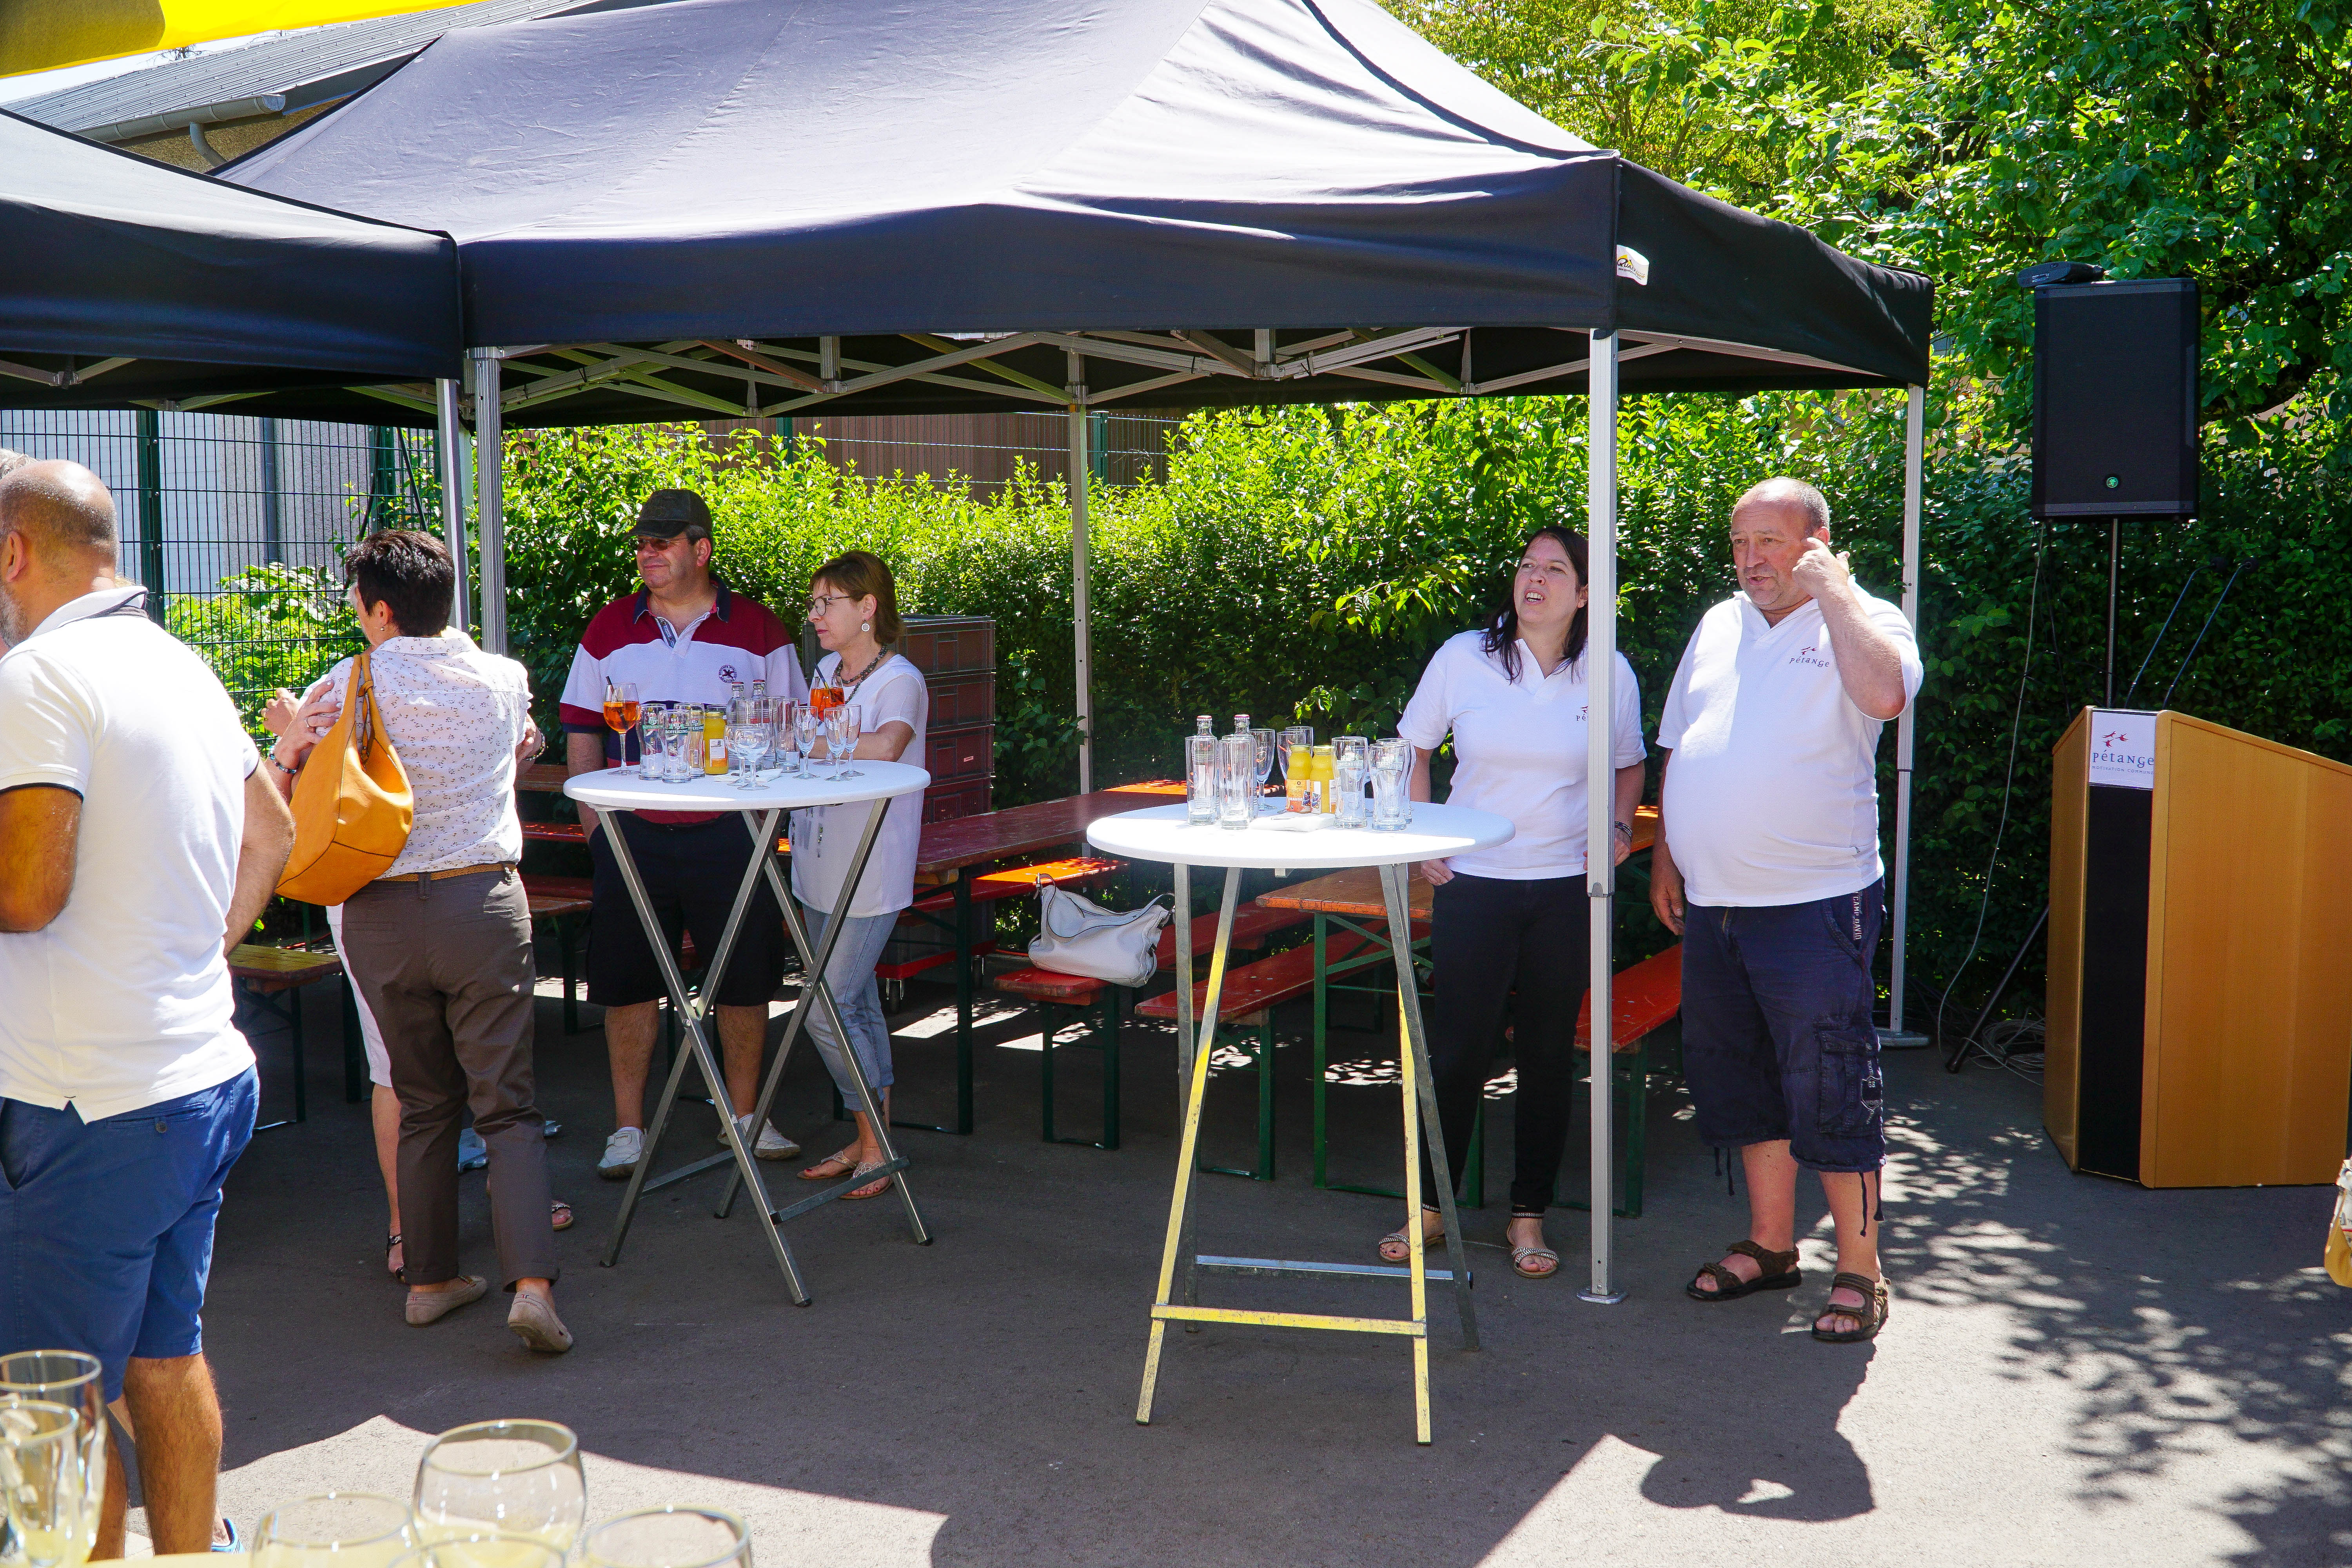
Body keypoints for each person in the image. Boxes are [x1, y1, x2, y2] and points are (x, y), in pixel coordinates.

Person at [0, 460, 294, 1555]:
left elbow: (28, 893)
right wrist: (198, 947)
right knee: (161, 1360)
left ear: (13, 554)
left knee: (47, 1401)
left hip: (91, 1101)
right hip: (193, 1074)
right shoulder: (180, 664)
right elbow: (273, 831)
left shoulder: (37, 677)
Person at [264, 530, 571, 1349]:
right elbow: (517, 751)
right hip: (483, 903)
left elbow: (291, 786)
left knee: (423, 1098)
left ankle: (430, 1280)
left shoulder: (345, 683)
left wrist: (287, 733)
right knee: (507, 1103)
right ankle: (532, 1285)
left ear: (381, 609)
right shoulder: (505, 677)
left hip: (380, 913)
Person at [1650, 477, 1920, 1344]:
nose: (1750, 559)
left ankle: (1861, 1269)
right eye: (1740, 542)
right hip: (1716, 902)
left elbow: (1886, 697)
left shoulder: (1866, 618)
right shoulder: (1718, 624)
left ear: (1817, 543)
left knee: (1833, 1085)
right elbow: (1680, 743)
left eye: (1769, 540)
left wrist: (1834, 591)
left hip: (1815, 902)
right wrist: (1668, 851)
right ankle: (1772, 1245)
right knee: (1741, 1079)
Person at [1384, 525, 1647, 1278]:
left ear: (1585, 594)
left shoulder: (1609, 670)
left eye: (1555, 570)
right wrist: (1423, 833)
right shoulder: (1463, 656)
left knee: (1546, 1056)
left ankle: (1528, 1216)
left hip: (1566, 887)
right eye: (1528, 566)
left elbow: (1628, 765)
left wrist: (1619, 827)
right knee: (1458, 1052)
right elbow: (1413, 750)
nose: (1535, 579)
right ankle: (1431, 1208)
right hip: (1474, 883)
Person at [559, 489, 809, 1179]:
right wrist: (598, 833)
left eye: (662, 543)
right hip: (632, 836)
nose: (647, 553)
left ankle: (745, 1119)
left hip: (732, 835)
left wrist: (765, 829)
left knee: (744, 980)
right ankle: (628, 1129)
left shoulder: (759, 627)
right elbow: (581, 729)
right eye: (641, 543)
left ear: (701, 550)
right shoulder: (608, 627)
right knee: (629, 984)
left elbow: (791, 729)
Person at [791, 551, 926, 1201]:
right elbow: (820, 740)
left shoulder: (900, 680)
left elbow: (887, 746)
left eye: (828, 603)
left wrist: (802, 742)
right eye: (813, 603)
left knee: (826, 1005)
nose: (815, 615)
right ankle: (873, 1141)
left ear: (867, 608)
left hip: (872, 868)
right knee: (858, 1004)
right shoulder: (825, 672)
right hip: (818, 859)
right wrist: (804, 741)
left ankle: (876, 1144)